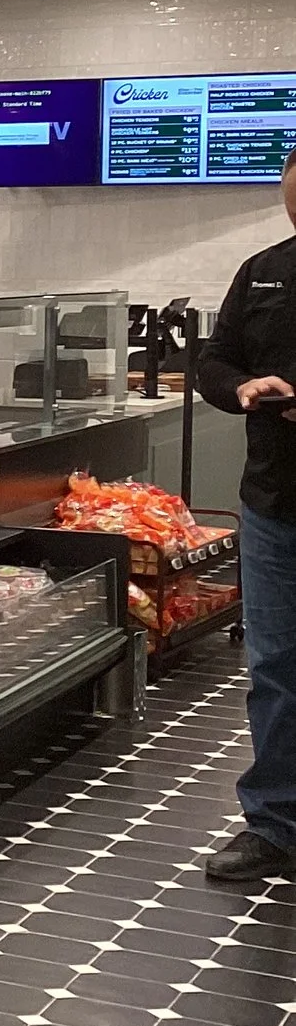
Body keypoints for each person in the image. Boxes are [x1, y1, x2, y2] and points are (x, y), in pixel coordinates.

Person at [196, 147, 296, 880]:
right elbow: (214, 359)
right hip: (273, 503)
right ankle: (275, 825)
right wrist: (241, 388)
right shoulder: (262, 269)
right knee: (275, 666)